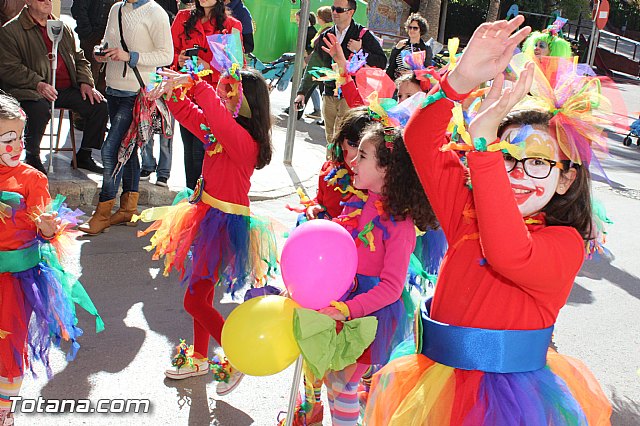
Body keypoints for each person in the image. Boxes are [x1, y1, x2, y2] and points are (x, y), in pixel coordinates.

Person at [364, 16, 612, 425]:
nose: (513, 174)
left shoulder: (565, 243)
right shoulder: (467, 215)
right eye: (506, 156)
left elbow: (508, 254)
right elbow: (421, 139)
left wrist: (485, 151)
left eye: (536, 162)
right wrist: (459, 79)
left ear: (567, 178)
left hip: (508, 405)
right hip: (432, 386)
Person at [137, 60, 278, 396]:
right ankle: (200, 357)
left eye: (230, 92)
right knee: (202, 294)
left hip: (226, 225)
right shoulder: (223, 129)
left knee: (194, 301)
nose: (224, 96)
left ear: (246, 102)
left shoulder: (244, 141)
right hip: (206, 215)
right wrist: (172, 92)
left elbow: (212, 115)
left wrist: (196, 85)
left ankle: (237, 353)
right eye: (223, 91)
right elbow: (190, 116)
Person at [288, 122, 437, 426]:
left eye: (364, 155)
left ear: (386, 169)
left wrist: (348, 309)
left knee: (342, 386)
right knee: (335, 383)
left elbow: (393, 287)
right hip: (344, 300)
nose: (353, 160)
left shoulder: (400, 225)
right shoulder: (362, 200)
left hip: (370, 317)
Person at [0, 93, 103, 425]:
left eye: (20, 137)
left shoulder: (32, 179)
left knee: (8, 340)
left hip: (17, 279)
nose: (16, 146)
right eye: (7, 138)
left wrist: (47, 228)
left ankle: (4, 408)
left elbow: (45, 229)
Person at [78, 0, 173, 235]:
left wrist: (130, 56)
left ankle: (102, 212)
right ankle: (128, 209)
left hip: (137, 92)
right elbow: (109, 43)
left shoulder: (155, 12)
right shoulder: (115, 9)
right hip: (113, 88)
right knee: (126, 150)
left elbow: (166, 54)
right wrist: (102, 53)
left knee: (111, 150)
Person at [0, 0, 108, 174]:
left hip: (65, 87)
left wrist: (86, 82)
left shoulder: (61, 27)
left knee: (99, 105)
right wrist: (38, 83)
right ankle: (32, 155)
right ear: (28, 2)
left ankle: (85, 155)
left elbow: (79, 58)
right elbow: (9, 68)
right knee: (39, 109)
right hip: (32, 90)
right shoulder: (11, 30)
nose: (48, 2)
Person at [170, 0, 243, 190]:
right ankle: (191, 198)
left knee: (201, 151)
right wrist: (178, 59)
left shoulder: (232, 25)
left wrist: (208, 66)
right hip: (186, 95)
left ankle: (203, 198)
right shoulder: (183, 17)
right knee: (189, 149)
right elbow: (168, 53)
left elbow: (235, 69)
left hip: (214, 99)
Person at [294, 0, 387, 145]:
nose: (334, 12)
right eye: (333, 8)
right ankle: (331, 166)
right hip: (329, 93)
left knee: (343, 140)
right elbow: (314, 65)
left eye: (339, 9)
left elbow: (382, 62)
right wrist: (302, 92)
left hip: (350, 95)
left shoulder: (362, 34)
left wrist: (360, 50)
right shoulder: (327, 34)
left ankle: (340, 166)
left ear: (351, 12)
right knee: (331, 140)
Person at [140, 0, 180, 188]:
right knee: (145, 126)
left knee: (166, 133)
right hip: (147, 82)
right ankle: (147, 165)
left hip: (168, 85)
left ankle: (163, 173)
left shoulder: (174, 33)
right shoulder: (145, 33)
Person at [71, 0, 119, 94]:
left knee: (105, 81)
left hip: (112, 37)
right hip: (93, 36)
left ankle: (103, 106)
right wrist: (88, 33)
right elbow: (78, 9)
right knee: (88, 78)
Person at [386, 13, 432, 81]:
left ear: (421, 30)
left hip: (413, 82)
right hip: (396, 80)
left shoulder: (425, 48)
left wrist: (412, 73)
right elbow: (391, 63)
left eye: (415, 28)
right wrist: (396, 49)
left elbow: (427, 70)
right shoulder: (401, 44)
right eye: (410, 27)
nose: (411, 30)